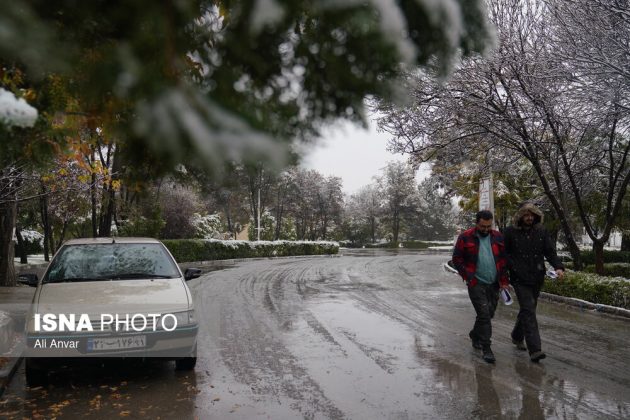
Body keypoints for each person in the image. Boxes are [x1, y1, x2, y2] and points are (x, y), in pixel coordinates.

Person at [504, 202, 564, 362]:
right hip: (519, 278)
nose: (529, 218)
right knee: (529, 310)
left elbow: (550, 251)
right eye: (526, 215)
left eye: (532, 215)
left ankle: (517, 335)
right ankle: (535, 349)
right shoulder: (510, 232)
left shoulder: (541, 231)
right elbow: (505, 254)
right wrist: (511, 268)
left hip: (537, 276)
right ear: (520, 216)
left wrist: (558, 267)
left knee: (528, 309)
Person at [452, 210, 509, 363]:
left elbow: (503, 261)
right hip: (476, 282)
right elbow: (456, 259)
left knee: (489, 314)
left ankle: (475, 334)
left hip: (494, 283)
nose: (485, 229)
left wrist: (504, 282)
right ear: (477, 223)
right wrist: (468, 276)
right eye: (483, 226)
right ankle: (486, 347)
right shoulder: (465, 237)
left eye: (488, 226)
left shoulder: (498, 237)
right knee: (484, 315)